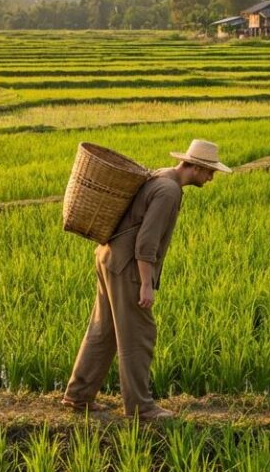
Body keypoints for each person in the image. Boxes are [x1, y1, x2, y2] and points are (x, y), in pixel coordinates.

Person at [61, 139, 231, 419]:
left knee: (104, 330)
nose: (211, 178)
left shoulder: (161, 175)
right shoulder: (169, 191)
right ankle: (140, 407)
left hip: (109, 257)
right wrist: (146, 285)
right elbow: (146, 242)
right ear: (196, 167)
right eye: (210, 171)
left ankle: (78, 396)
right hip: (127, 266)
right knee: (139, 335)